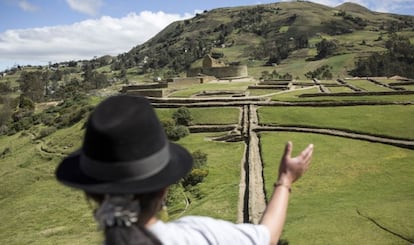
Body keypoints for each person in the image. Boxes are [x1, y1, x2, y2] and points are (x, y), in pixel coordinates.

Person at [55, 95, 314, 245]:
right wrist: (285, 179)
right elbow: (266, 236)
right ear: (164, 188)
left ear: (91, 194)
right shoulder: (199, 236)